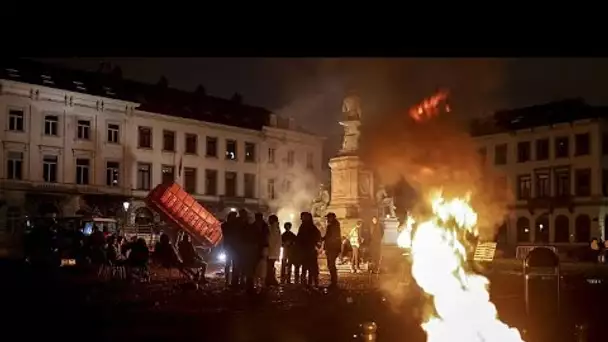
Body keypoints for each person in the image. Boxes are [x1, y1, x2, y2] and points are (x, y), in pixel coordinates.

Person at [297, 212, 321, 287]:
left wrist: (315, 243)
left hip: (310, 249)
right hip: (305, 250)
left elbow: (317, 236)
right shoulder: (303, 226)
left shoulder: (311, 227)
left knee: (312, 266)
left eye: (304, 217)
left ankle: (312, 281)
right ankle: (305, 282)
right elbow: (299, 237)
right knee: (305, 266)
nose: (302, 219)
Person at [323, 212, 342, 288]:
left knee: (331, 264)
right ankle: (333, 280)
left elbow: (331, 237)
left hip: (332, 248)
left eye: (328, 217)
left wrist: (324, 240)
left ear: (332, 218)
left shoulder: (333, 225)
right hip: (332, 248)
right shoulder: (333, 225)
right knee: (331, 264)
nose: (327, 219)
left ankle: (334, 281)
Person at [221, 211, 239, 287]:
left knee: (232, 265)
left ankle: (231, 281)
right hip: (230, 247)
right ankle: (228, 281)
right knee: (229, 264)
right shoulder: (226, 225)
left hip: (231, 247)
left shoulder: (226, 225)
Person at [266, 215, 281, 286]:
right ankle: (271, 279)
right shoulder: (276, 227)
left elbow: (271, 240)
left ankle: (270, 280)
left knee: (270, 266)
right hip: (274, 251)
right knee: (271, 266)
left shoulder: (273, 228)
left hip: (271, 251)